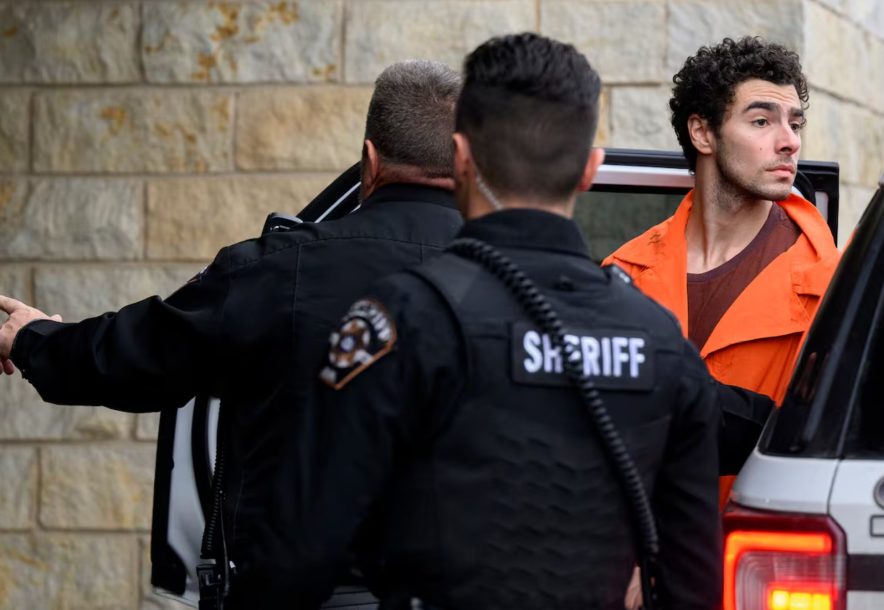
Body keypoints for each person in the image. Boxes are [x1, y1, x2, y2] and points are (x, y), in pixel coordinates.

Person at [230, 33, 774, 610]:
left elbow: (293, 558)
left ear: (462, 158)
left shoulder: (397, 321)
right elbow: (694, 583)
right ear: (590, 170)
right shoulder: (660, 342)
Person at [0, 60, 464, 604]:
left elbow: (138, 356)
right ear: (468, 161)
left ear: (370, 159)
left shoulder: (277, 269)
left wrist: (34, 340)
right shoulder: (522, 282)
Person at [603, 37, 840, 507]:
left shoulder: (834, 287)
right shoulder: (622, 273)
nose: (790, 140)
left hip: (756, 562)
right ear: (703, 133)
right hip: (635, 564)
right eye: (761, 121)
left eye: (795, 123)